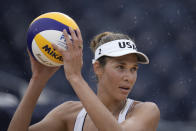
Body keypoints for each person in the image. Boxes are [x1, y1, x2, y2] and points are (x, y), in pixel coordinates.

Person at [8, 27, 160, 131]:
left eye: (133, 69)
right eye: (120, 67)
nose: (129, 77)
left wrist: (75, 77)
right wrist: (37, 80)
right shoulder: (68, 112)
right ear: (97, 68)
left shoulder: (146, 111)